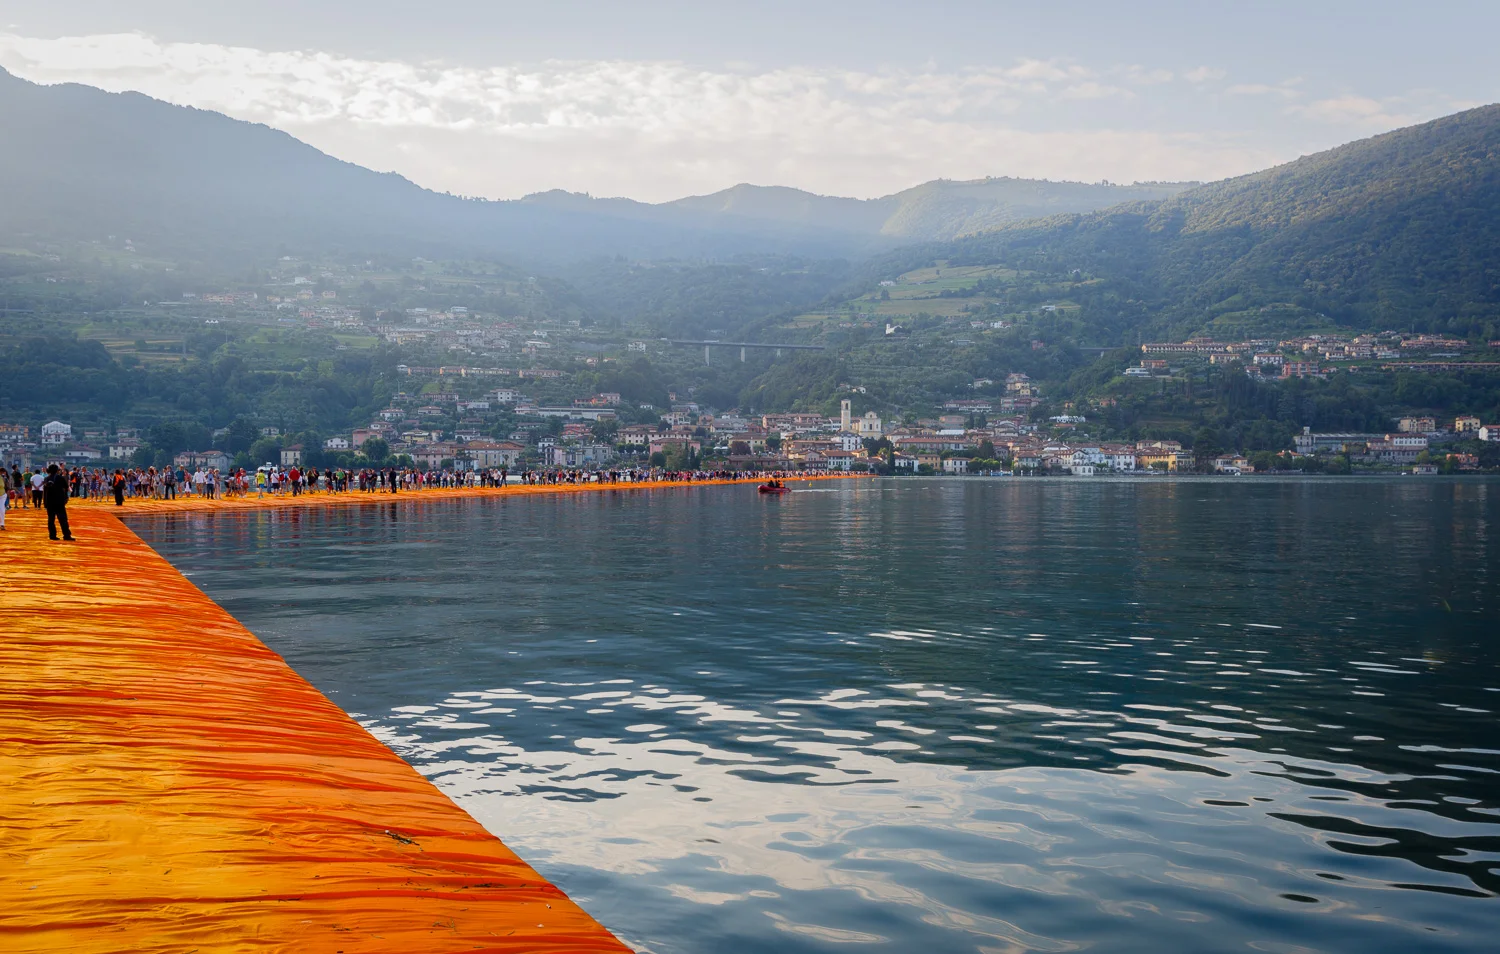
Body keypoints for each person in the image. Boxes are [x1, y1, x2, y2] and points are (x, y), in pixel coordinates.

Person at [42, 463, 73, 541]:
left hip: (49, 502)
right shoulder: (60, 478)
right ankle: (66, 535)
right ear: (57, 470)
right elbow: (66, 487)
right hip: (59, 501)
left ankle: (52, 535)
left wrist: (45, 502)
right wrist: (65, 498)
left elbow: (44, 491)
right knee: (63, 520)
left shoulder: (46, 479)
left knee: (51, 520)